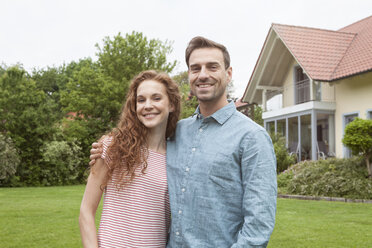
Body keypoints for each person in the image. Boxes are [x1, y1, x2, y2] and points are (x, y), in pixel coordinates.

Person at [90, 37, 277, 247]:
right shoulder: (176, 132)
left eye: (212, 67)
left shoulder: (252, 137)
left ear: (229, 73)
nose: (203, 75)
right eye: (195, 68)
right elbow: (141, 140)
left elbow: (258, 226)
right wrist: (107, 147)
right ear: (189, 75)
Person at [79, 70, 181, 248]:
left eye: (156, 98)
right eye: (141, 100)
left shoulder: (177, 157)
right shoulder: (112, 147)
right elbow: (86, 211)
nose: (147, 105)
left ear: (171, 104)